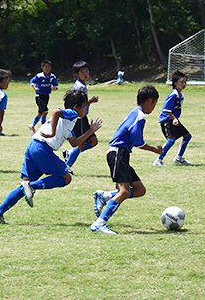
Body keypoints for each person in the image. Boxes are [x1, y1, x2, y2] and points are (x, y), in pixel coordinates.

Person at [0, 89, 103, 224]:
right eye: (85, 106)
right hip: (43, 148)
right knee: (66, 178)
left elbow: (75, 143)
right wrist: (52, 132)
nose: (87, 109)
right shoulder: (71, 114)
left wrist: (91, 129)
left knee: (23, 186)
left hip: (33, 146)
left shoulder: (69, 120)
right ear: (77, 107)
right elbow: (56, 112)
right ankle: (31, 186)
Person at [90, 85, 162, 234]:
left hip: (121, 154)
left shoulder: (134, 112)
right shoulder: (140, 116)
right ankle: (99, 223)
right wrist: (155, 150)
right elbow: (138, 142)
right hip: (118, 153)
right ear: (150, 101)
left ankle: (104, 196)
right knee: (123, 192)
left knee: (140, 190)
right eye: (155, 103)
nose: (154, 107)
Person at [62, 61, 99, 174]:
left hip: (83, 117)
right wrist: (91, 101)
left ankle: (70, 153)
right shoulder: (80, 86)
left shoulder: (81, 85)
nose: (86, 74)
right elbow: (77, 103)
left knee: (93, 141)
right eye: (82, 72)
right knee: (81, 143)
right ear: (76, 74)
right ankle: (66, 167)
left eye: (87, 71)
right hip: (79, 118)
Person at [153, 70, 192, 166]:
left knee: (187, 136)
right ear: (175, 83)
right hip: (167, 120)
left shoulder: (181, 95)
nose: (184, 84)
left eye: (185, 82)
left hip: (173, 119)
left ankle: (179, 158)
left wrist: (175, 119)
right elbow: (166, 109)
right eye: (181, 82)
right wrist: (174, 119)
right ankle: (158, 160)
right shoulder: (173, 94)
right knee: (171, 140)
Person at [28, 60, 59, 133]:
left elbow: (56, 85)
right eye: (45, 67)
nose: (47, 68)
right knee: (45, 112)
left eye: (49, 67)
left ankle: (32, 125)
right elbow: (32, 81)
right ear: (42, 68)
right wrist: (34, 88)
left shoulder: (52, 76)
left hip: (46, 96)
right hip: (39, 96)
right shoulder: (39, 76)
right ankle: (43, 128)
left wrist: (54, 88)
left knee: (40, 112)